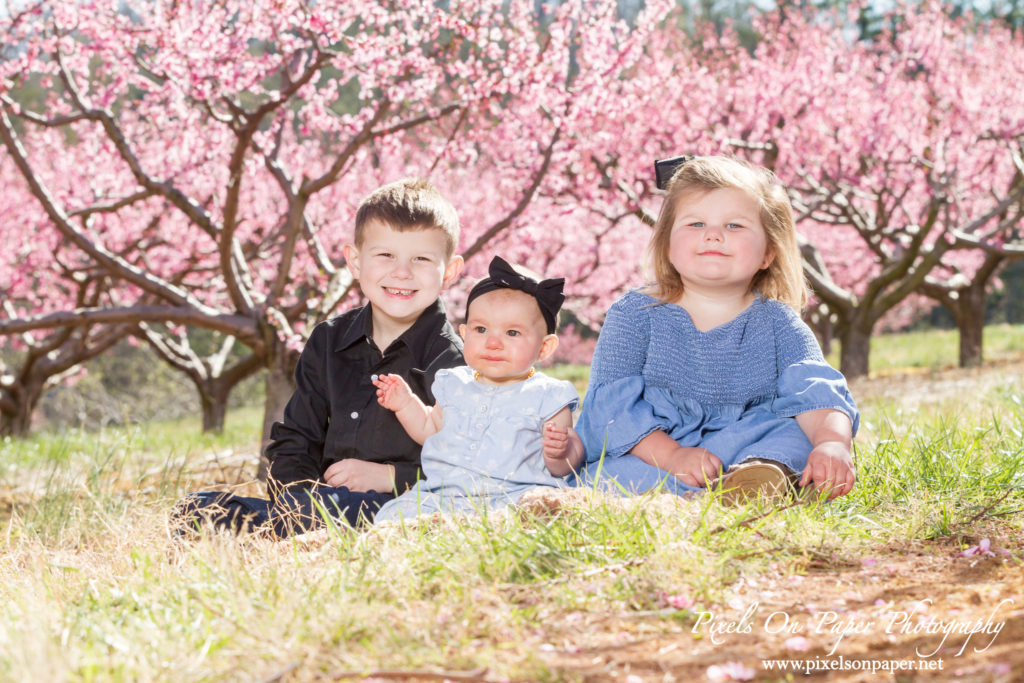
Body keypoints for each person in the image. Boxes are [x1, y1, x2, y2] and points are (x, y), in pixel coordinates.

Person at [172, 177, 465, 536]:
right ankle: (301, 526)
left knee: (351, 513)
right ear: (355, 262)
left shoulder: (454, 362)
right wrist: (294, 495)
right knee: (196, 510)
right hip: (320, 501)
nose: (401, 272)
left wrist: (390, 477)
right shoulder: (329, 340)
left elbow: (468, 464)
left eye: (421, 259)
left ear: (449, 272)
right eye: (385, 255)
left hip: (403, 506)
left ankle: (307, 527)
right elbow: (297, 437)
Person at [575, 155, 859, 503]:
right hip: (657, 450)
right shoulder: (635, 314)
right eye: (695, 224)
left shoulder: (778, 324)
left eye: (734, 226)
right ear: (667, 243)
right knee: (612, 472)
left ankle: (757, 478)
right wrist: (674, 456)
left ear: (767, 253)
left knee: (794, 433)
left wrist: (831, 443)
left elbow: (816, 391)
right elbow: (610, 410)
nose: (712, 235)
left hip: (745, 445)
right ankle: (697, 495)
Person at [370, 256, 583, 522]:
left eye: (512, 333)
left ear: (544, 347)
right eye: (481, 329)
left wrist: (561, 452)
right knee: (395, 518)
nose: (493, 343)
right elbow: (430, 429)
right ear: (464, 333)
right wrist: (405, 404)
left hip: (512, 494)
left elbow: (566, 464)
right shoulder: (455, 384)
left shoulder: (548, 396)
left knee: (532, 515)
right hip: (444, 495)